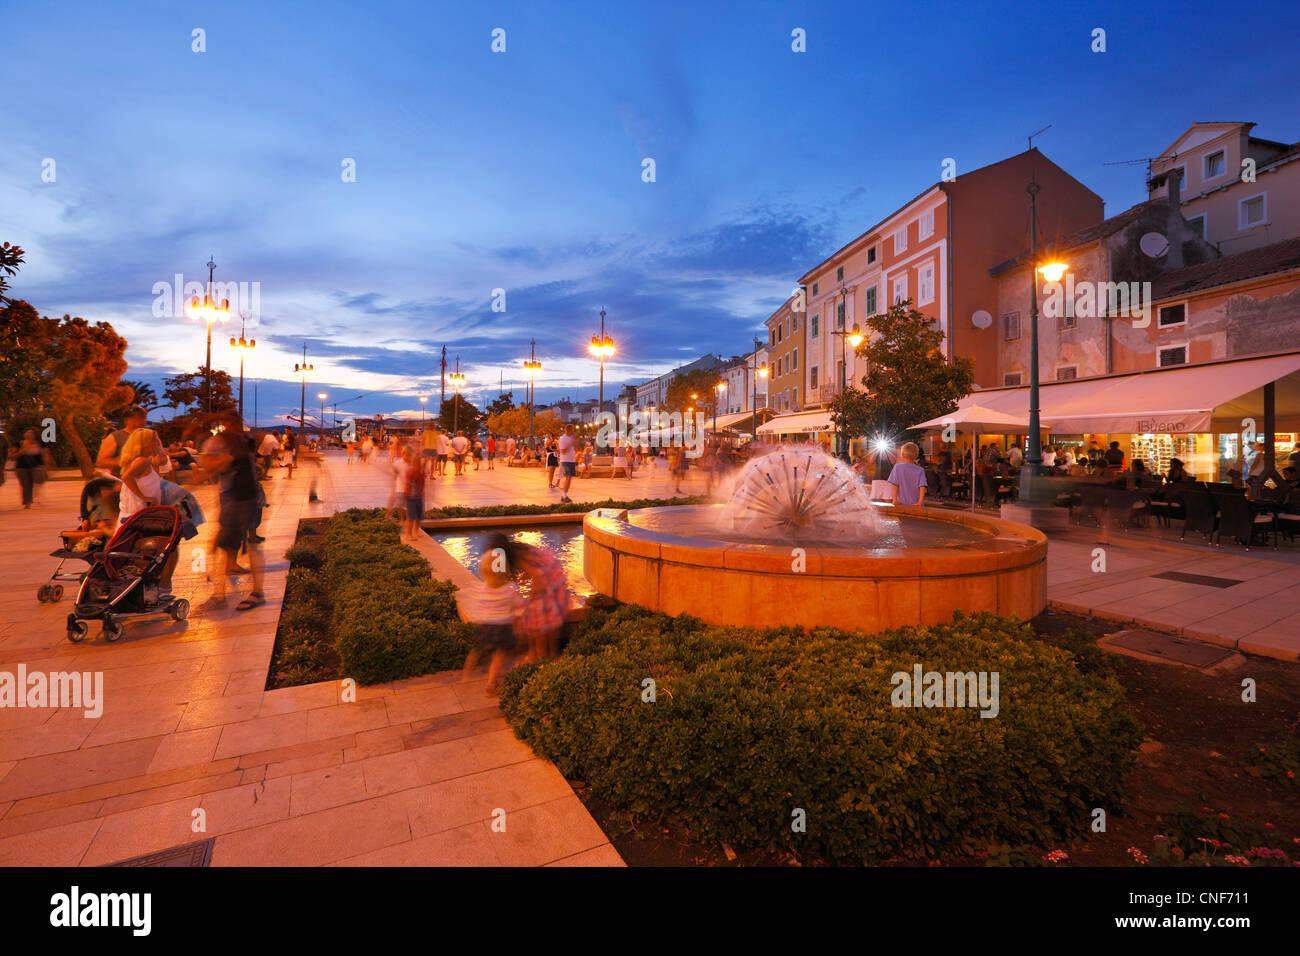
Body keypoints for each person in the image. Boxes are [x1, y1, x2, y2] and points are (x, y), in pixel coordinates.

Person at [198, 413, 265, 613]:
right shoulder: (217, 442)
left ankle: (252, 592)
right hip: (232, 496)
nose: (235, 426)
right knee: (225, 545)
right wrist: (224, 461)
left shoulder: (245, 440)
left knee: (246, 545)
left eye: (237, 423)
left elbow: (253, 466)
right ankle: (222, 593)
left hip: (248, 496)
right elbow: (208, 468)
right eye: (231, 423)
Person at [117, 428, 179, 596]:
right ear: (145, 443)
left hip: (139, 517)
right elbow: (127, 478)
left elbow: (151, 482)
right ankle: (164, 585)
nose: (157, 443)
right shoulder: (142, 461)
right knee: (172, 544)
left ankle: (154, 583)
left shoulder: (142, 461)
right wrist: (145, 498)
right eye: (154, 440)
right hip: (140, 519)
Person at [456, 541, 522, 696]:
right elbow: (519, 606)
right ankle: (491, 685)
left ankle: (466, 675)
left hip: (485, 626)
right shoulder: (510, 590)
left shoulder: (483, 588)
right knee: (498, 656)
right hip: (502, 628)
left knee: (476, 650)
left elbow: (477, 605)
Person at [95, 405, 147, 477]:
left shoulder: (148, 436)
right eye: (134, 418)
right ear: (126, 420)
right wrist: (124, 461)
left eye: (142, 418)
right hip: (123, 482)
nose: (138, 422)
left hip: (147, 481)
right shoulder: (115, 437)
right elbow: (101, 462)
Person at [12, 428, 51, 508]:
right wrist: (23, 451)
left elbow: (46, 454)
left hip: (36, 467)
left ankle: (31, 498)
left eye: (31, 433)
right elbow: (13, 456)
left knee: (35, 483)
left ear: (35, 435)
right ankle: (27, 502)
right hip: (21, 468)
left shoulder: (41, 444)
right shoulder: (19, 443)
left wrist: (46, 465)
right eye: (27, 432)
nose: (29, 434)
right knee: (26, 485)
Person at [886, 441, 929, 507]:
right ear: (916, 455)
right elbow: (922, 487)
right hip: (916, 504)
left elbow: (894, 485)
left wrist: (894, 500)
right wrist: (920, 502)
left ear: (902, 454)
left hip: (901, 503)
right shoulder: (920, 470)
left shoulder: (897, 467)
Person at [401, 447, 425, 542]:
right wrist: (406, 494)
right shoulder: (410, 471)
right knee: (411, 516)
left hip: (419, 496)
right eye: (417, 462)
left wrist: (422, 492)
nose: (419, 464)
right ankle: (408, 534)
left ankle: (416, 530)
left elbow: (422, 483)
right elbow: (407, 484)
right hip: (411, 497)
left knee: (419, 514)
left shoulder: (421, 472)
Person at [557, 424, 577, 503]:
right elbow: (563, 451)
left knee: (569, 478)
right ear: (569, 430)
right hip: (565, 460)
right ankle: (564, 496)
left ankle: (565, 495)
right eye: (573, 430)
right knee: (568, 478)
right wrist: (571, 444)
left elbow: (576, 445)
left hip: (571, 460)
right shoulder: (563, 439)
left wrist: (574, 440)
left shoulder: (570, 438)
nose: (574, 431)